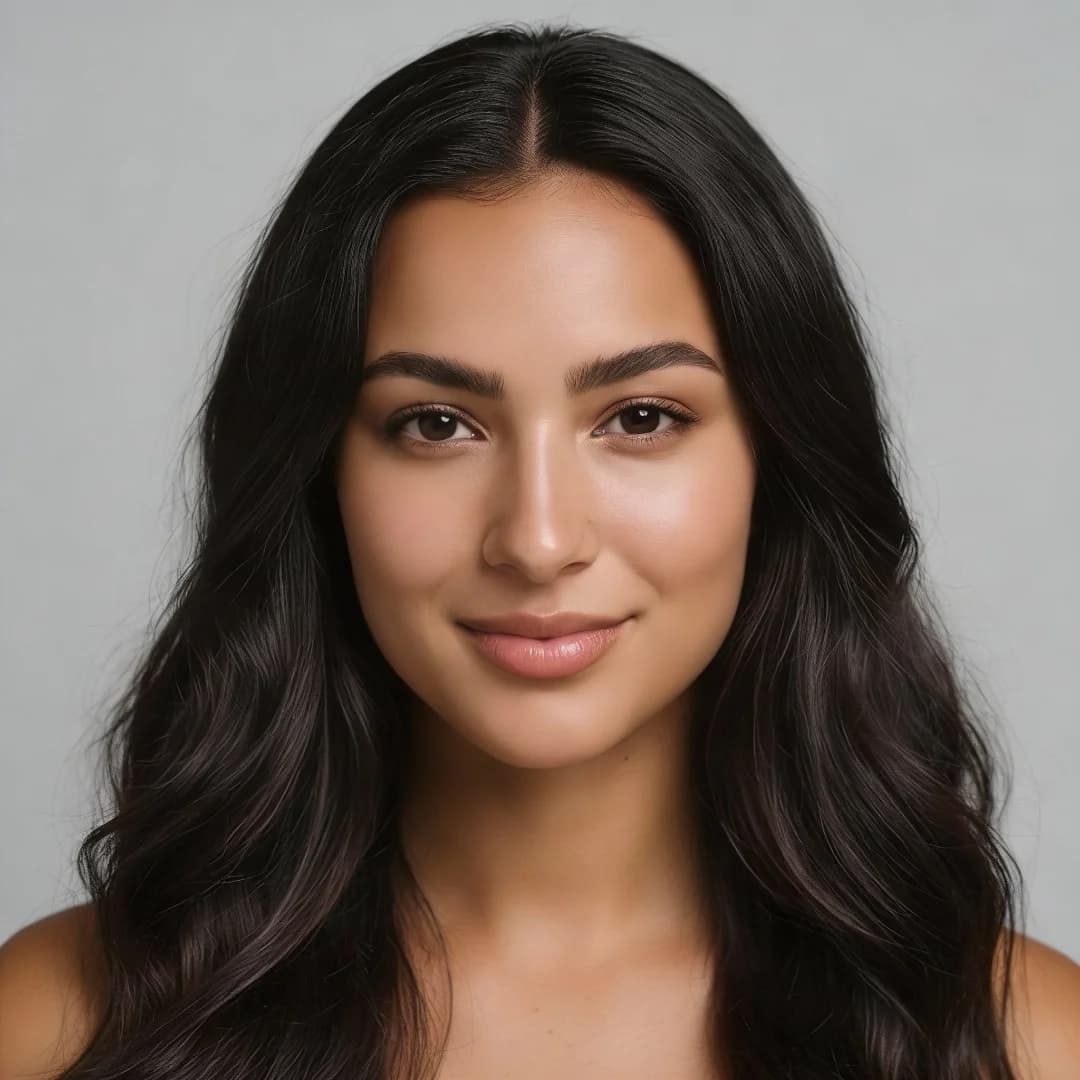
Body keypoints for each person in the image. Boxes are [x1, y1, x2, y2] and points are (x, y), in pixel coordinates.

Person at [1, 19, 1078, 1080]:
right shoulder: (60, 1027)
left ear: (778, 458)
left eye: (641, 418)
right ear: (318, 473)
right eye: (436, 424)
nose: (538, 539)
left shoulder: (1022, 1045)